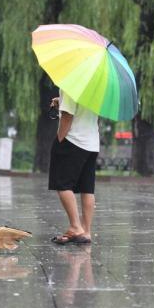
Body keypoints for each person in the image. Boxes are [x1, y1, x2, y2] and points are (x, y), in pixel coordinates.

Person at [49, 89, 99, 244]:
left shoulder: (71, 86)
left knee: (62, 184)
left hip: (73, 141)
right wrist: (61, 100)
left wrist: (60, 139)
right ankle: (86, 231)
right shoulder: (96, 88)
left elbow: (68, 116)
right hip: (91, 143)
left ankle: (75, 227)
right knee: (87, 188)